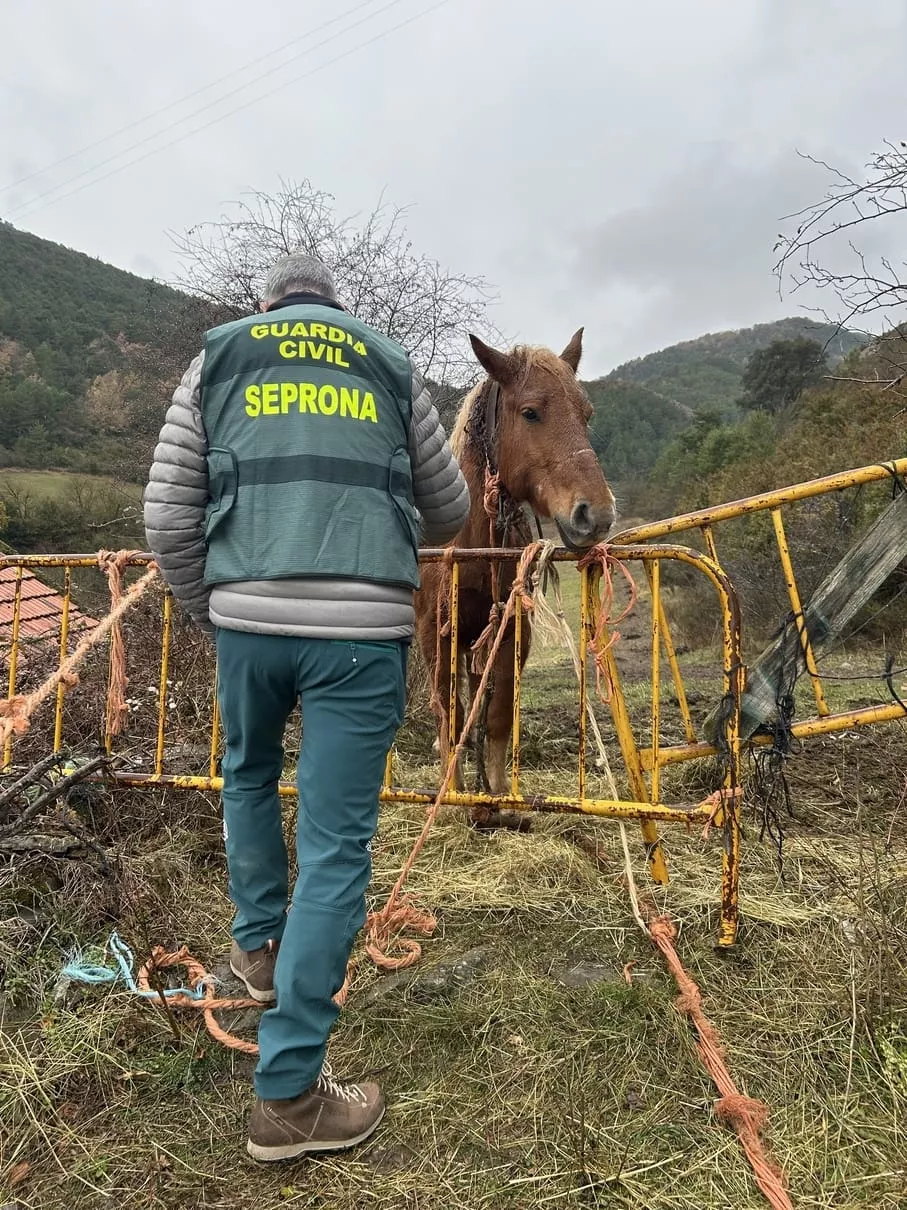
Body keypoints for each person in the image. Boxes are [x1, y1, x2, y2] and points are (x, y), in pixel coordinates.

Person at [143, 252, 469, 1161]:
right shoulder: (387, 362)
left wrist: (215, 612)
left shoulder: (219, 355)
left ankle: (257, 950)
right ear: (335, 304)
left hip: (247, 623)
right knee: (334, 850)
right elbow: (449, 510)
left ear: (268, 303)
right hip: (362, 636)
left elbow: (166, 517)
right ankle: (288, 1096)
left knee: (246, 777)